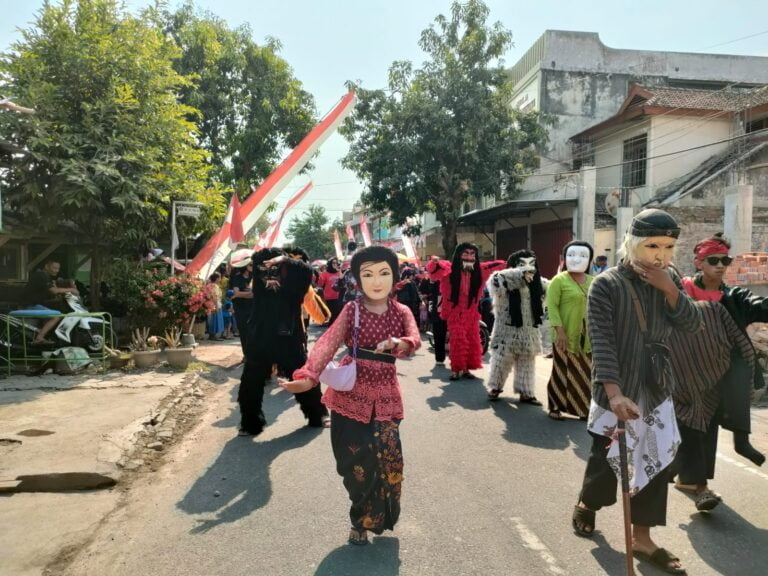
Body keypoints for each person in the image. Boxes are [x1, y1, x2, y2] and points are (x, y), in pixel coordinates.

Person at [572, 209, 702, 576]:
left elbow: (692, 325)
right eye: (653, 246)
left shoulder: (670, 279)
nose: (660, 255)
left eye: (668, 247)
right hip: (616, 389)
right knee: (605, 460)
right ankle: (587, 503)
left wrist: (670, 289)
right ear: (633, 243)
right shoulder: (606, 284)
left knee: (655, 464)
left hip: (657, 389)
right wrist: (614, 393)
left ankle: (641, 538)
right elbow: (602, 343)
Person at [279, 246, 421, 545]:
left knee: (387, 461)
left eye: (384, 273)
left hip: (385, 396)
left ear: (395, 276)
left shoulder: (402, 311)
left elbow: (415, 338)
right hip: (350, 396)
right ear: (357, 278)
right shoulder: (352, 310)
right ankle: (360, 511)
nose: (376, 281)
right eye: (367, 274)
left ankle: (367, 520)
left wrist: (401, 342)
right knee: (352, 463)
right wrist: (308, 376)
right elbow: (327, 343)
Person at [667, 233, 767, 509]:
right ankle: (690, 480)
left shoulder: (734, 297)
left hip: (717, 376)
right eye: (714, 260)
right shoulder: (680, 291)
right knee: (688, 426)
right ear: (699, 262)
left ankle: (696, 483)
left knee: (705, 428)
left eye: (726, 260)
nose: (721, 265)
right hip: (680, 373)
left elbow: (761, 307)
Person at [237, 247, 328, 436]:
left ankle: (318, 414)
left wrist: (285, 260)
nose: (269, 272)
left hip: (289, 339)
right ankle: (249, 423)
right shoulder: (259, 285)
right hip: (260, 339)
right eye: (263, 268)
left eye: (274, 267)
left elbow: (306, 272)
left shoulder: (293, 285)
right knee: (250, 383)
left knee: (303, 376)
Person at [426, 243, 505, 380]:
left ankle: (467, 368)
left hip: (472, 313)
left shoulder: (480, 270)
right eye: (465, 254)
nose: (469, 257)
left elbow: (500, 265)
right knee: (457, 340)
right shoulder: (449, 269)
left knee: (473, 340)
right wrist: (434, 262)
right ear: (458, 255)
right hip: (455, 313)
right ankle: (456, 369)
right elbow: (433, 272)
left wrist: (515, 262)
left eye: (472, 254)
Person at [485, 250, 546, 403]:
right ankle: (495, 387)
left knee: (527, 361)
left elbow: (556, 289)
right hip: (506, 329)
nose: (528, 268)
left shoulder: (539, 284)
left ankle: (526, 392)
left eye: (531, 264)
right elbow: (495, 282)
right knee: (501, 360)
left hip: (529, 330)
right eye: (522, 263)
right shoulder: (500, 279)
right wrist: (520, 275)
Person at [545, 241, 594, 420]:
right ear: (564, 258)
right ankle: (555, 406)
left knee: (584, 372)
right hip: (563, 335)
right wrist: (560, 332)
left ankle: (581, 408)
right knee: (561, 371)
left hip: (587, 337)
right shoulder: (559, 280)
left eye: (583, 256)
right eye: (572, 255)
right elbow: (552, 307)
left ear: (589, 260)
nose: (576, 259)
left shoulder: (593, 281)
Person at [23, 258, 79, 345]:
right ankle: (39, 338)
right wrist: (71, 289)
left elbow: (50, 291)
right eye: (54, 268)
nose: (57, 271)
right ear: (46, 266)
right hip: (30, 305)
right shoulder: (41, 275)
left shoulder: (45, 276)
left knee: (51, 312)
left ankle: (46, 337)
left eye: (58, 268)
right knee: (56, 316)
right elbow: (54, 291)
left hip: (34, 304)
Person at [228, 249, 253, 354]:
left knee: (253, 332)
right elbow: (236, 293)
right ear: (245, 266)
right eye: (250, 264)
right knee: (243, 332)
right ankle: (246, 354)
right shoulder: (237, 278)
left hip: (253, 309)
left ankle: (252, 355)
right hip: (241, 310)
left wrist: (242, 294)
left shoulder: (254, 278)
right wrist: (250, 294)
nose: (252, 266)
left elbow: (255, 294)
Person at [317, 257, 343, 325]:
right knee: (332, 315)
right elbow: (320, 284)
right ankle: (331, 331)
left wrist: (340, 271)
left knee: (338, 315)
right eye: (333, 263)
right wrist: (321, 277)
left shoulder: (339, 272)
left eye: (336, 263)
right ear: (330, 264)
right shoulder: (325, 273)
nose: (335, 264)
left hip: (339, 297)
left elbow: (343, 281)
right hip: (329, 297)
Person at [206, 273, 225, 340]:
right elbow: (215, 297)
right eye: (219, 277)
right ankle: (213, 335)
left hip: (209, 304)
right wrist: (217, 306)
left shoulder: (209, 285)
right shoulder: (214, 286)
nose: (220, 279)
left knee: (211, 320)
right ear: (217, 278)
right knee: (215, 320)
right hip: (214, 304)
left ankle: (212, 335)